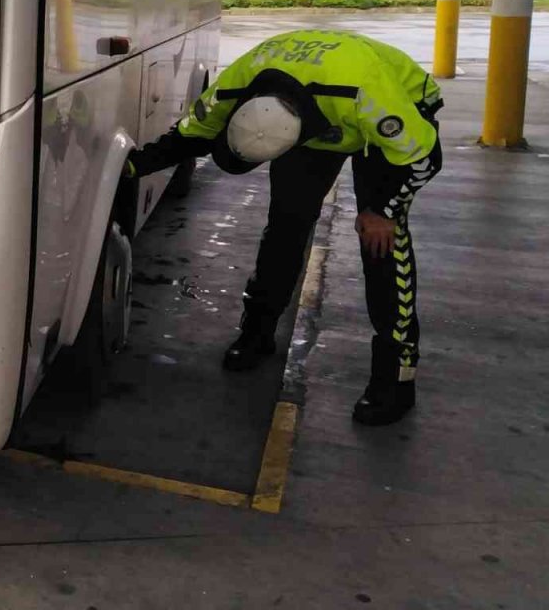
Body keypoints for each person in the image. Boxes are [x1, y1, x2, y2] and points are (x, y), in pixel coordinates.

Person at [127, 29, 443, 425]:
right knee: (285, 226)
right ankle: (257, 332)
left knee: (379, 240)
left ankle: (397, 376)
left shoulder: (368, 93)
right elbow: (187, 137)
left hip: (394, 115)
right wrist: (131, 167)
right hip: (322, 111)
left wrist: (382, 210)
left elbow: (423, 157)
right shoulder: (234, 86)